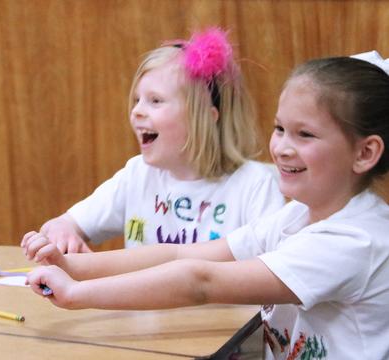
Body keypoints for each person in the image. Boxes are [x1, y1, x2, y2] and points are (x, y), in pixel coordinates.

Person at [22, 53, 389, 359]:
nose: (282, 147)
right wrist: (74, 266)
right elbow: (182, 256)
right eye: (279, 129)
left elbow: (200, 281)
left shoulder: (354, 239)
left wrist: (76, 294)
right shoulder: (298, 215)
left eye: (304, 134)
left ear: (365, 153)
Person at [29, 28, 284, 254]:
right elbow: (66, 223)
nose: (137, 111)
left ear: (206, 117)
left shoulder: (254, 186)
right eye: (137, 100)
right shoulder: (137, 175)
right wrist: (62, 232)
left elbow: (274, 270)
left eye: (155, 101)